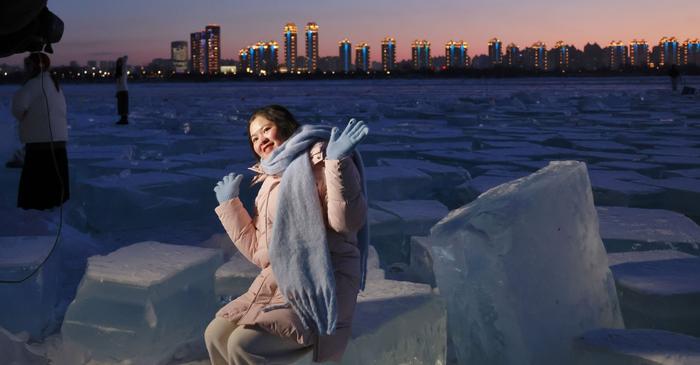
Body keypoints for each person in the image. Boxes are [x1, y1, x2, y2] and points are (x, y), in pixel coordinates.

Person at [205, 105, 369, 365]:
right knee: (214, 334)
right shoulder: (268, 179)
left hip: (322, 280)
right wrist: (230, 205)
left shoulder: (319, 160)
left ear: (285, 126)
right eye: (254, 138)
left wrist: (338, 163)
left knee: (242, 346)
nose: (261, 140)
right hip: (275, 282)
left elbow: (346, 223)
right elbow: (263, 254)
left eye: (266, 129)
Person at [11, 52, 69, 210]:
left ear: (35, 66)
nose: (25, 69)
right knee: (55, 191)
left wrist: (26, 118)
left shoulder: (33, 84)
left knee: (35, 194)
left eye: (27, 65)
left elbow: (18, 108)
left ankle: (35, 221)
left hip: (40, 146)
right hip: (59, 144)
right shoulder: (55, 84)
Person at [115, 55, 129, 125]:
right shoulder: (118, 72)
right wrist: (117, 92)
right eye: (118, 62)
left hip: (123, 90)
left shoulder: (123, 70)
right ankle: (122, 119)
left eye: (120, 62)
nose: (119, 64)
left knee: (123, 105)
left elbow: (124, 67)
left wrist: (124, 60)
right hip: (120, 91)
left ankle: (124, 119)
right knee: (120, 106)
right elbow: (118, 84)